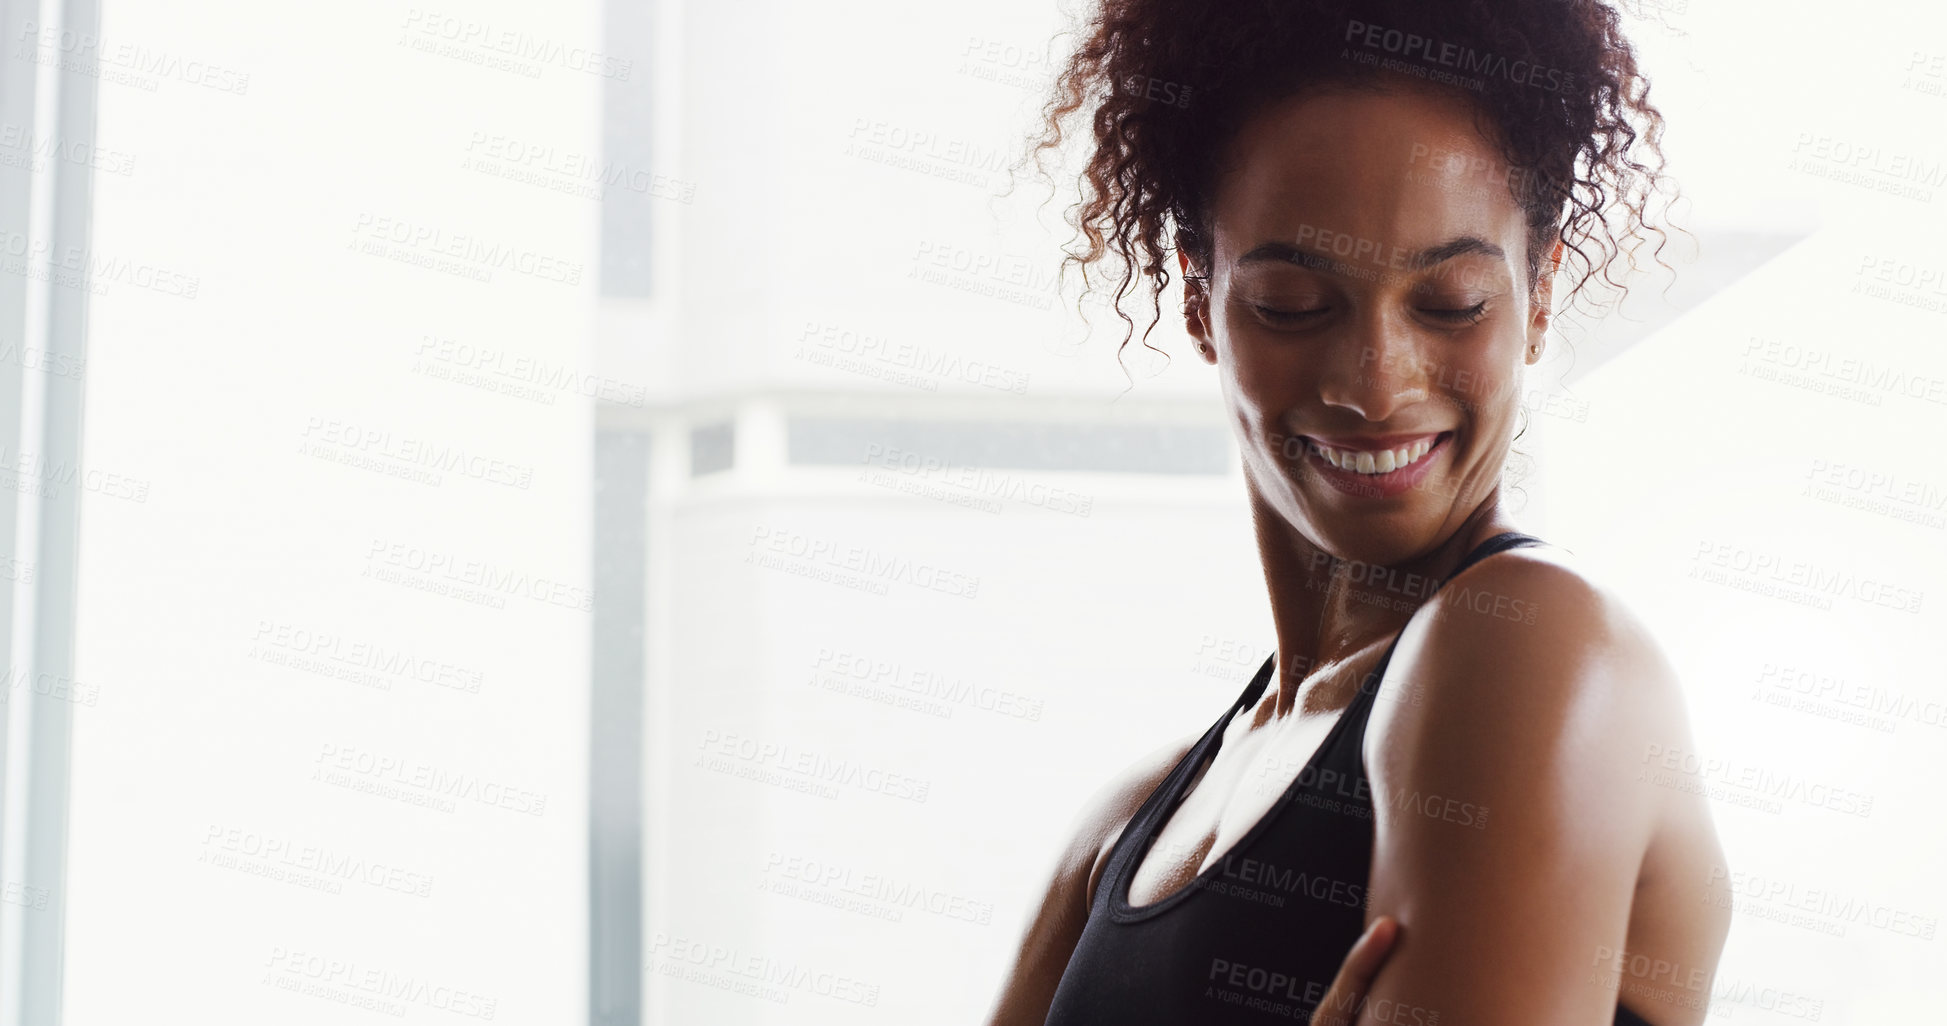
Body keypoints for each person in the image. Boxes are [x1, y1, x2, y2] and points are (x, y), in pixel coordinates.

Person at [983, 1, 1733, 1023]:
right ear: (1201, 299)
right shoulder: (1122, 831)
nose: (1375, 386)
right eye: (1293, 303)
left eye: (1453, 302)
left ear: (1540, 294)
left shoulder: (1526, 646)